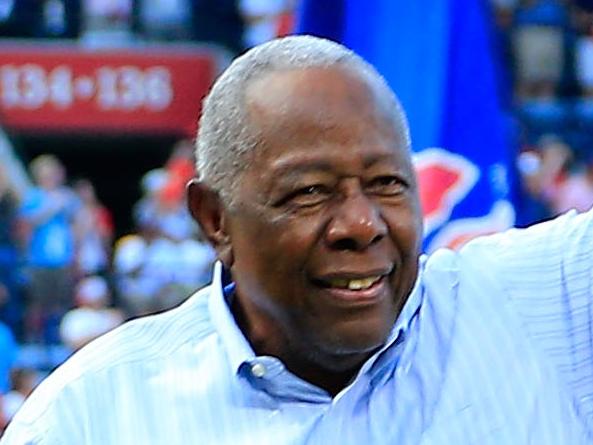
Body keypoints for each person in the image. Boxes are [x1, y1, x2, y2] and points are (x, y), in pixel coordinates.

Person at [3, 35, 593, 444]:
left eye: (387, 183)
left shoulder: (544, 305)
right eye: (310, 192)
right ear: (214, 219)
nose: (362, 224)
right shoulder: (92, 416)